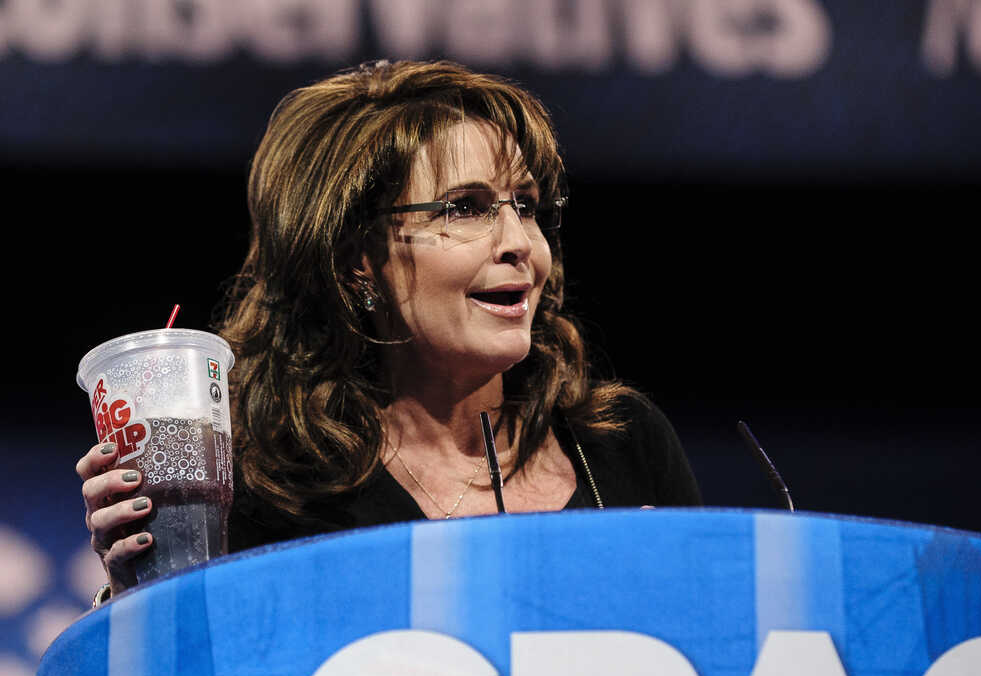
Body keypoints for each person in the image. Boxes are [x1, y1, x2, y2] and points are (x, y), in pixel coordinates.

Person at [76, 59, 702, 600]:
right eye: (465, 208)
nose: (521, 245)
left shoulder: (619, 444)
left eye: (528, 206)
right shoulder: (263, 483)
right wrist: (136, 588)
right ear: (354, 256)